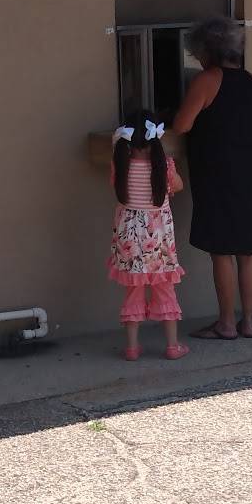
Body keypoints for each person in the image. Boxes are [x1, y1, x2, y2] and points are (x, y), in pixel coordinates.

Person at [171, 17, 252, 340]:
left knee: (221, 250)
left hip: (216, 169)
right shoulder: (249, 80)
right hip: (248, 166)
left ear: (206, 50)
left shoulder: (208, 80)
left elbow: (182, 125)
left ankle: (226, 323)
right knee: (246, 249)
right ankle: (248, 322)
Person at [107, 109, 190, 361]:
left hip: (129, 238)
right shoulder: (164, 165)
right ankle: (172, 346)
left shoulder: (120, 165)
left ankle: (132, 348)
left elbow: (115, 185)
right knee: (165, 288)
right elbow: (177, 186)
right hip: (159, 240)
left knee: (133, 290)